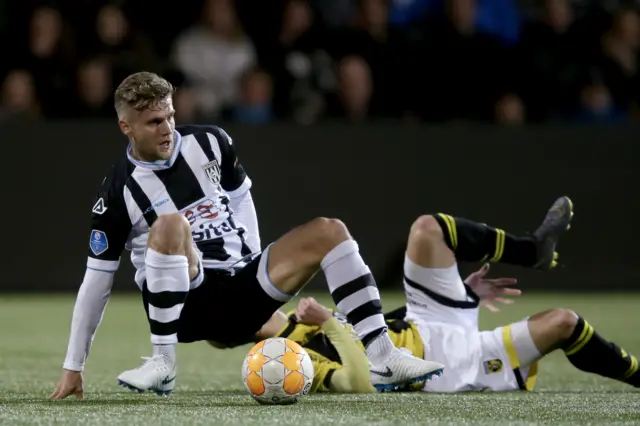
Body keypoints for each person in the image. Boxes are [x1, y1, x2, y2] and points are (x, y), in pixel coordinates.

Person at [49, 71, 443, 400]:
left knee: (330, 231)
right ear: (126, 127)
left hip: (241, 290)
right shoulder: (116, 192)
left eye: (169, 116)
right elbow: (96, 283)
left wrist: (251, 259)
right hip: (187, 305)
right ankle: (163, 363)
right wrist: (73, 367)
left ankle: (384, 355)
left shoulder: (210, 141)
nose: (167, 128)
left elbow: (241, 198)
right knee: (171, 224)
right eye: (154, 122)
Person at [256, 197, 640, 392]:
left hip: (426, 317)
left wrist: (463, 296)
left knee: (427, 229)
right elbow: (360, 381)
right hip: (449, 364)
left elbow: (383, 330)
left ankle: (531, 250)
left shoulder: (297, 320)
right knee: (564, 323)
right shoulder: (291, 360)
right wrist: (330, 324)